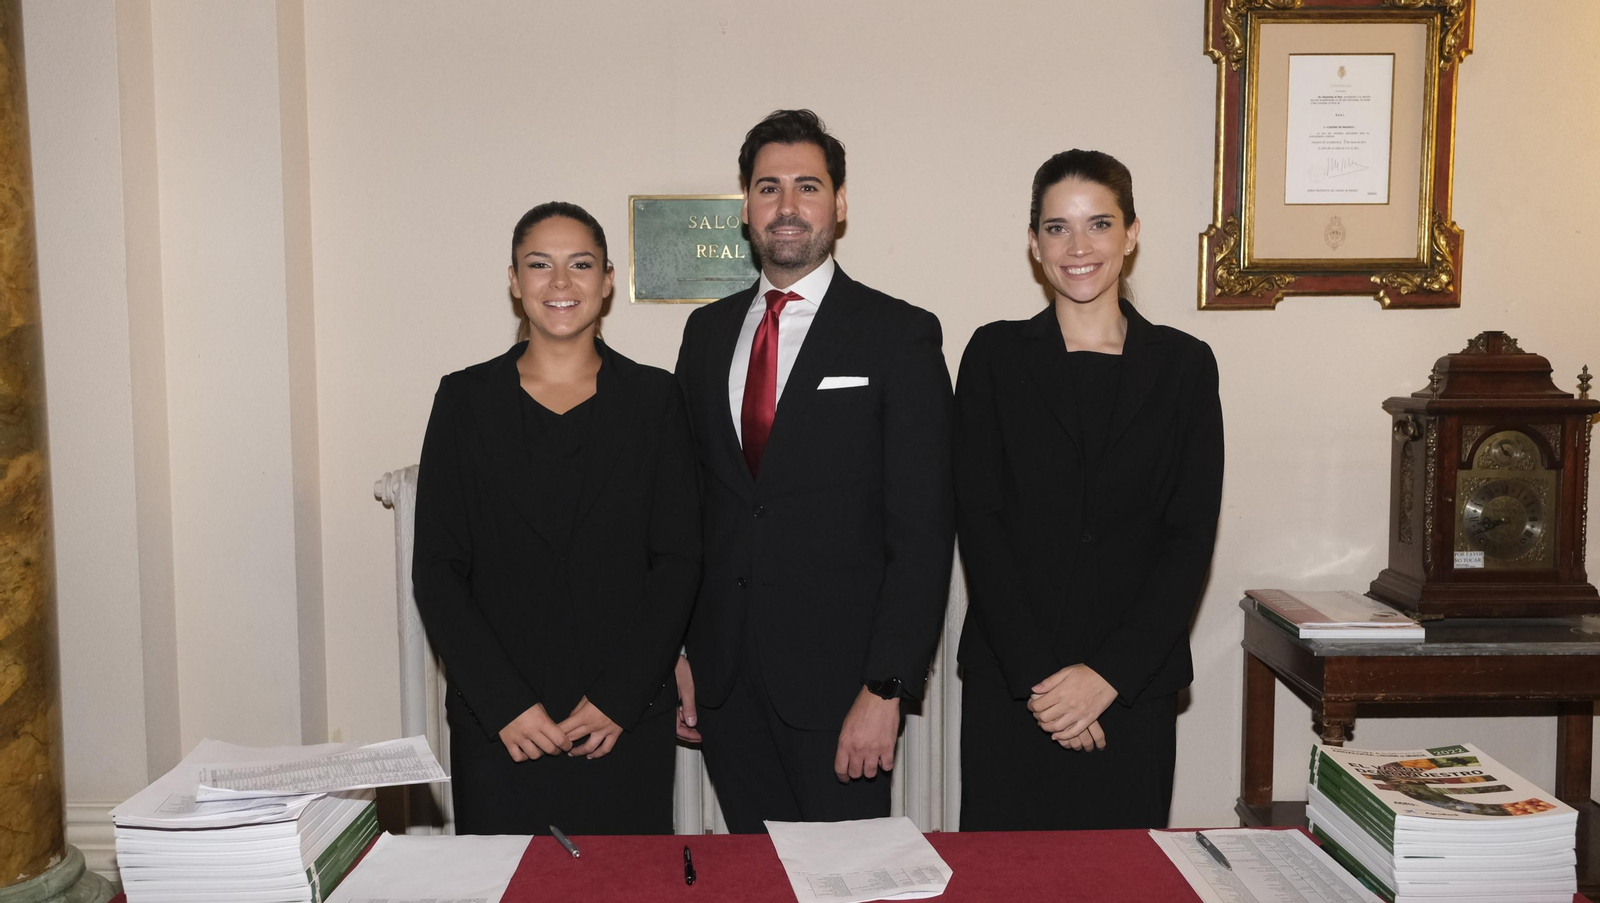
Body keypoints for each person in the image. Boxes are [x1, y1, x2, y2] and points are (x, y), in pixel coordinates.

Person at [672, 109, 954, 832]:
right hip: (725, 686)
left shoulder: (899, 333)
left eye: (807, 185)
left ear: (840, 202)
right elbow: (690, 508)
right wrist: (679, 652)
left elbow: (922, 529)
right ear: (746, 206)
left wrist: (887, 687)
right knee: (754, 879)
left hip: (843, 695)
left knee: (847, 882)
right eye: (769, 187)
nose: (788, 206)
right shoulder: (705, 335)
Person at [954, 150, 1224, 831]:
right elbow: (978, 521)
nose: (1078, 247)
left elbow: (1189, 536)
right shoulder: (992, 355)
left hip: (1131, 691)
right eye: (1056, 228)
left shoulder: (1185, 367)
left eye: (1098, 223)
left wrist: (1105, 676)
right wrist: (1046, 686)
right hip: (1013, 687)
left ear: (1131, 234)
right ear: (1033, 243)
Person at [412, 202, 700, 835]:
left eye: (580, 265)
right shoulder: (462, 400)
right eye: (539, 265)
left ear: (607, 281)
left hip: (622, 721)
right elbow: (438, 569)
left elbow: (678, 561)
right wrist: (503, 705)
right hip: (503, 726)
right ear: (514, 281)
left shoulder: (656, 401)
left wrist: (622, 698)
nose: (560, 284)